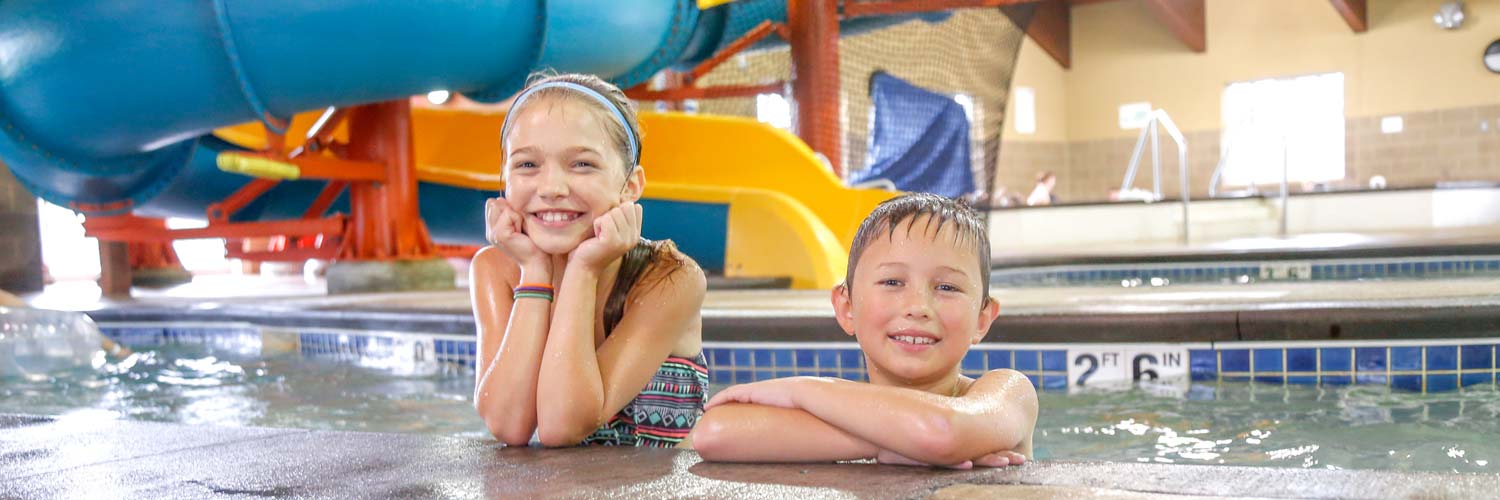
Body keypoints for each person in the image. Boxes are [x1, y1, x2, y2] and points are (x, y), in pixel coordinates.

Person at [688, 193, 1037, 468]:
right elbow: (714, 432)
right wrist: (897, 442)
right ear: (847, 307)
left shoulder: (1009, 392)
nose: (918, 306)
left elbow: (943, 432)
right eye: (892, 281)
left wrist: (801, 390)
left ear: (982, 318)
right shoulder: (845, 408)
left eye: (947, 287)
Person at [470, 73, 708, 448]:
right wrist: (535, 271)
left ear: (630, 186)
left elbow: (563, 426)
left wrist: (584, 269)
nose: (551, 188)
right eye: (527, 165)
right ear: (504, 180)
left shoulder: (669, 278)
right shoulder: (495, 270)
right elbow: (507, 423)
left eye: (581, 164)